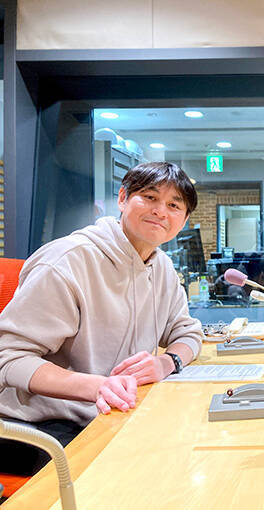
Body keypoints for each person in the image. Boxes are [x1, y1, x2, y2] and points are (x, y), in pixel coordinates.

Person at [0, 162, 204, 475]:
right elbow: (9, 358)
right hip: (36, 424)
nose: (160, 211)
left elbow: (187, 333)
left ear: (184, 220)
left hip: (107, 414)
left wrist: (167, 362)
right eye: (150, 197)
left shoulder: (160, 266)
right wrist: (96, 386)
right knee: (140, 472)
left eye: (174, 205)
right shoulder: (67, 261)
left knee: (191, 441)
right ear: (123, 198)